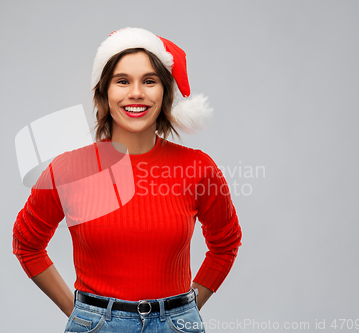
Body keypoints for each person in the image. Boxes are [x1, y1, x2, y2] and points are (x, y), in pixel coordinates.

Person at [13, 27, 242, 333]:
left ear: (165, 92)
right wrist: (81, 314)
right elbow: (26, 243)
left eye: (149, 81)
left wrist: (182, 313)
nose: (136, 92)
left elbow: (226, 243)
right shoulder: (68, 169)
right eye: (122, 81)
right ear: (104, 93)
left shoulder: (198, 168)